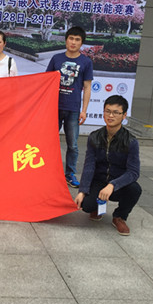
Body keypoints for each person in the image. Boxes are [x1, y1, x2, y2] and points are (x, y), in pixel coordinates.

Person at [74, 95, 141, 236]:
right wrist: (82, 191)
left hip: (118, 184)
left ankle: (120, 216)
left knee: (135, 189)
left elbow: (133, 172)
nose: (111, 116)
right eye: (108, 111)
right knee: (86, 205)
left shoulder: (131, 141)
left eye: (116, 112)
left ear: (124, 115)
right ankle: (96, 207)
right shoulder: (94, 137)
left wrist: (113, 185)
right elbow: (89, 165)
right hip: (99, 181)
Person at [45, 26, 93, 188]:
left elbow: (87, 87)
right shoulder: (56, 58)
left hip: (73, 109)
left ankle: (70, 174)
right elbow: (45, 81)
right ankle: (47, 171)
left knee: (72, 144)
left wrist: (84, 110)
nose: (73, 42)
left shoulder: (86, 62)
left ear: (81, 43)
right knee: (49, 142)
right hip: (54, 108)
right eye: (71, 38)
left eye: (77, 39)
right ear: (66, 40)